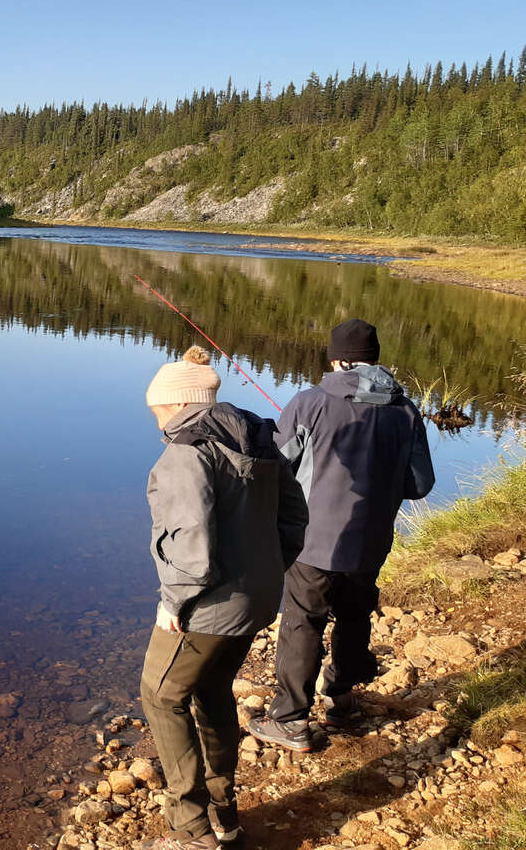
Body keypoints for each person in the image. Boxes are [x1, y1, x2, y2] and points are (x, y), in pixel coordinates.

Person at [138, 345, 308, 850]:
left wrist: (173, 603)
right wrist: (266, 573)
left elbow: (190, 543)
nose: (155, 422)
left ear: (176, 405)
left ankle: (189, 830)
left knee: (162, 695)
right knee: (212, 691)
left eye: (157, 411)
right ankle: (224, 814)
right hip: (256, 599)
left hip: (206, 607)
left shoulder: (186, 452)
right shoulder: (260, 438)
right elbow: (295, 519)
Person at [249, 318, 435, 752]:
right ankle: (341, 699)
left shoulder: (309, 402)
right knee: (354, 615)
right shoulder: (406, 411)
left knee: (302, 621)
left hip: (312, 541)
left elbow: (276, 471)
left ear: (336, 359)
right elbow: (420, 485)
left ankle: (291, 718)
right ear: (375, 360)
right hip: (371, 543)